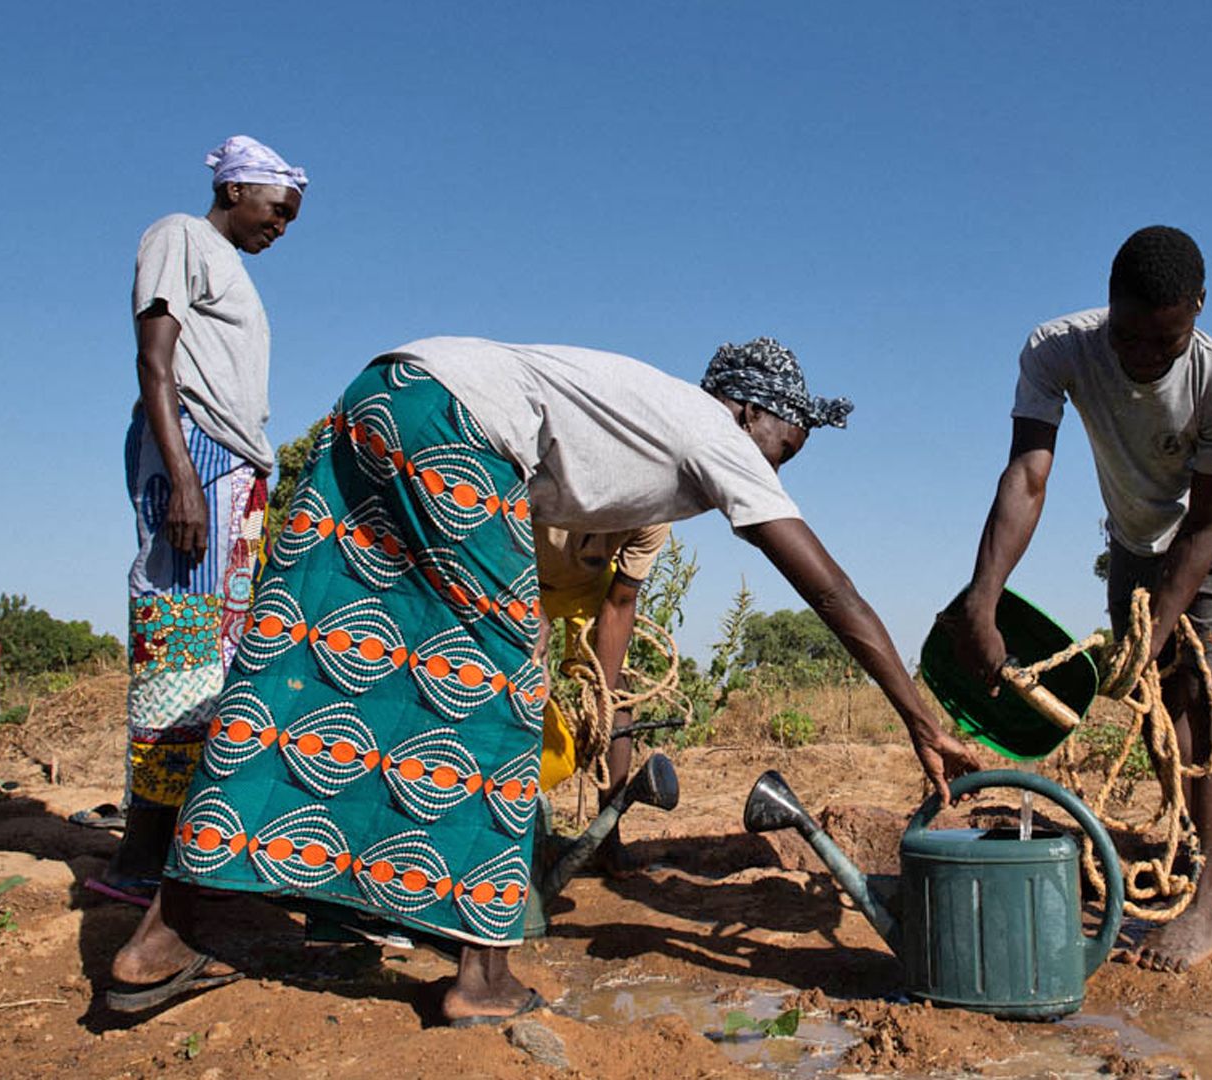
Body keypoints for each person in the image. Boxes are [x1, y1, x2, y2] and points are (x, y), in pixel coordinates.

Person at [106, 336, 985, 1021]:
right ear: (751, 411)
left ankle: (167, 935)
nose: (776, 467)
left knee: (310, 654)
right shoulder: (716, 432)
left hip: (380, 394)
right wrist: (917, 716)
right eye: (783, 446)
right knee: (491, 692)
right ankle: (482, 974)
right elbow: (828, 587)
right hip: (456, 427)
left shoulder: (652, 412)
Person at [952, 226, 1212, 972]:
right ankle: (1197, 852)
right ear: (1109, 303)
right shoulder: (1058, 348)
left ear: (1198, 310)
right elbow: (1028, 474)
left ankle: (1211, 896)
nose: (1145, 357)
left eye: (1167, 340)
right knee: (1156, 700)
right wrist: (983, 598)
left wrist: (1155, 631)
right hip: (1132, 535)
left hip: (1210, 533)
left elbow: (1204, 526)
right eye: (1129, 337)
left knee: (1206, 696)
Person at [97, 136, 307, 905]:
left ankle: (184, 846)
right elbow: (155, 360)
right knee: (179, 643)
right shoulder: (179, 235)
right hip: (195, 457)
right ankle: (140, 859)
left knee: (216, 657)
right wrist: (182, 477)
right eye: (277, 211)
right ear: (237, 191)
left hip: (231, 468)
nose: (280, 226)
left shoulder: (233, 270)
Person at [533, 521, 673, 870]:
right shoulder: (546, 472)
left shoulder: (656, 510)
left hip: (593, 587)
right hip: (520, 573)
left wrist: (604, 698)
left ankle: (607, 840)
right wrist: (533, 622)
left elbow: (621, 600)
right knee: (515, 688)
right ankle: (508, 829)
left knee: (617, 699)